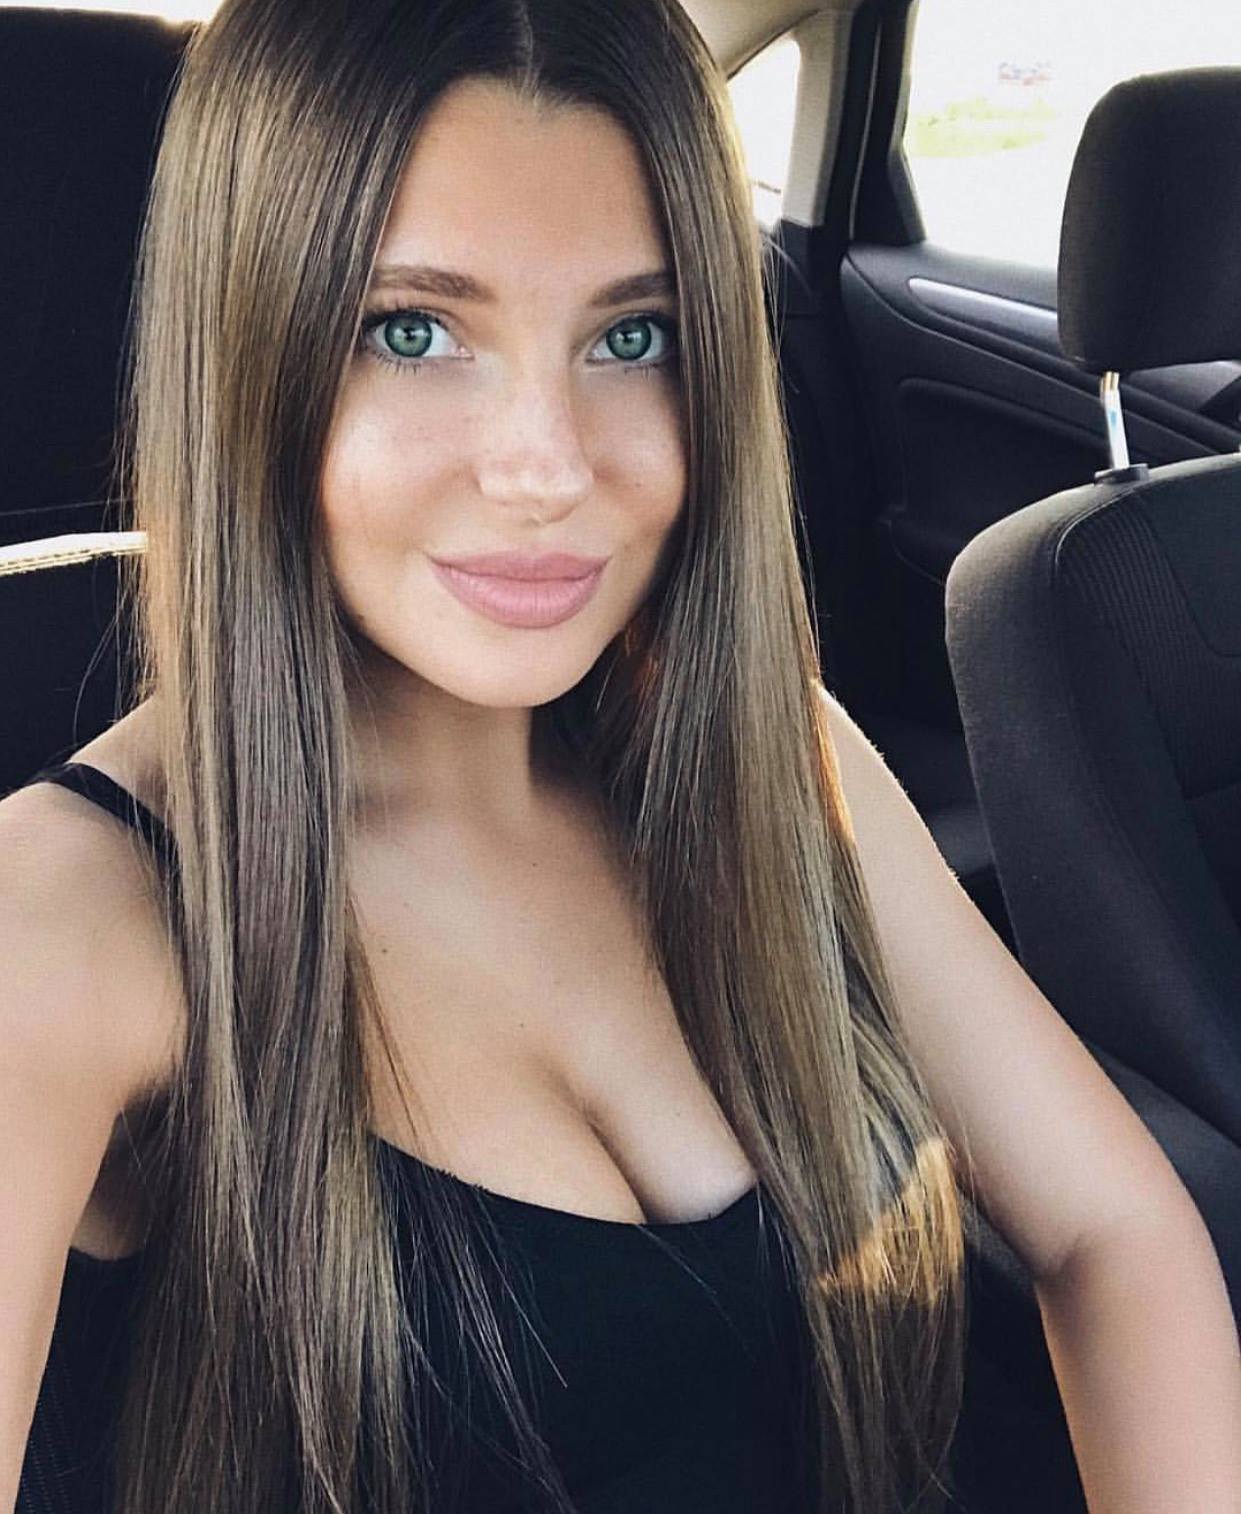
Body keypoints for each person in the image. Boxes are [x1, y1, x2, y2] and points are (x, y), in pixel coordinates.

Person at [3, 1, 1239, 1512]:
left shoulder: (768, 760)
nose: (547, 463)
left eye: (629, 337)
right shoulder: (64, 928)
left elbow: (1115, 1234)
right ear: (243, 351)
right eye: (412, 331)